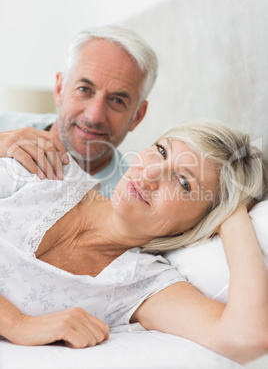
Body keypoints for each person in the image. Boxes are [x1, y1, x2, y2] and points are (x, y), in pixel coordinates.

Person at [0, 119, 267, 365]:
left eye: (183, 182)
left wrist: (234, 218)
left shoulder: (140, 284)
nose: (150, 175)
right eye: (161, 151)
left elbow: (245, 337)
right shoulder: (46, 170)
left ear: (201, 223)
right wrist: (17, 323)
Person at [0, 25, 158, 198]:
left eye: (117, 101)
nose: (94, 116)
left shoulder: (132, 201)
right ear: (60, 89)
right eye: (84, 89)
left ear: (137, 116)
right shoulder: (3, 127)